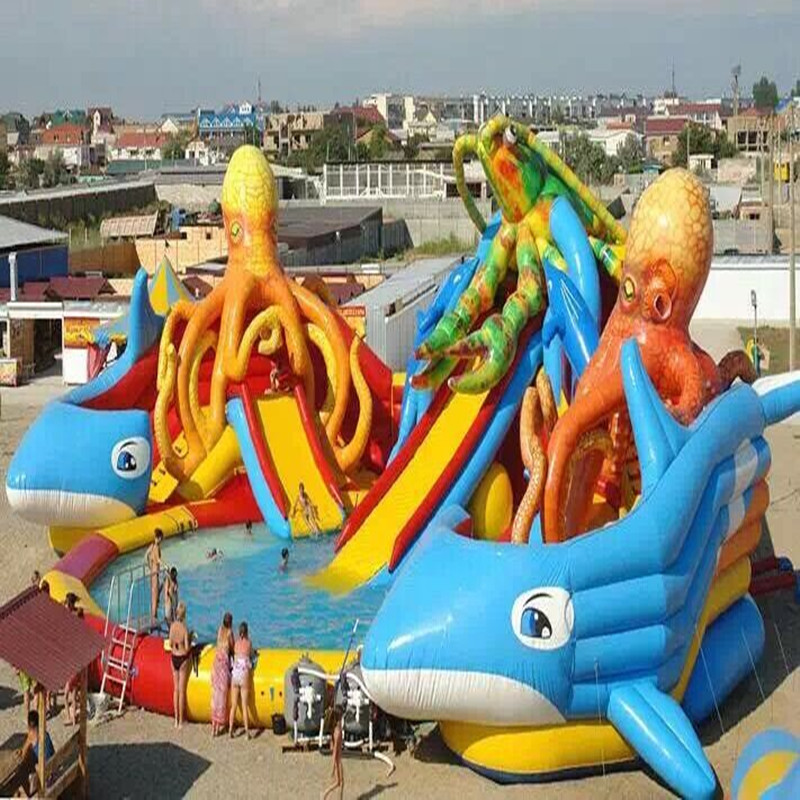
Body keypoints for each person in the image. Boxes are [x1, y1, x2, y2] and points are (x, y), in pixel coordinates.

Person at [19, 709, 55, 796]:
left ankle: (28, 792)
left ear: (29, 725)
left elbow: (23, 754)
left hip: (46, 775)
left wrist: (21, 751)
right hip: (54, 768)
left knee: (23, 767)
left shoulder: (31, 735)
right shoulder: (45, 733)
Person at [211, 612, 234, 737]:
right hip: (223, 666)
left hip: (216, 664)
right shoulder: (230, 633)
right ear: (231, 623)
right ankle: (218, 726)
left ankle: (213, 727)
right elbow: (232, 647)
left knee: (215, 695)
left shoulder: (220, 630)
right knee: (222, 696)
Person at [228, 621, 253, 739]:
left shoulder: (236, 644)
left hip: (235, 674)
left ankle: (230, 730)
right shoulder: (249, 643)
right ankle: (247, 732)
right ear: (247, 632)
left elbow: (235, 653)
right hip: (243, 674)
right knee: (244, 705)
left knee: (233, 705)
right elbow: (251, 654)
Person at [169, 602, 191, 729]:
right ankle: (181, 721)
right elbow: (187, 648)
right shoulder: (184, 628)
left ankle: (176, 720)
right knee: (182, 691)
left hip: (174, 658)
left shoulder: (172, 626)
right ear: (184, 615)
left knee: (175, 690)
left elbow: (170, 643)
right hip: (182, 658)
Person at [322, 704, 344, 800]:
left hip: (338, 759)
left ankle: (338, 798)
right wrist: (333, 767)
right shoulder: (338, 731)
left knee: (341, 783)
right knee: (339, 782)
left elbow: (332, 745)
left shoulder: (335, 729)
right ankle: (324, 794)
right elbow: (335, 750)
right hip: (337, 761)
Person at [145, 529, 164, 624]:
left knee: (154, 595)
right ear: (159, 538)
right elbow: (158, 559)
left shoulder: (151, 546)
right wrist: (166, 566)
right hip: (155, 574)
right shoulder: (156, 547)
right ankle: (154, 618)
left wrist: (149, 566)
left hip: (151, 573)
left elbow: (146, 555)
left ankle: (153, 616)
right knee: (155, 598)